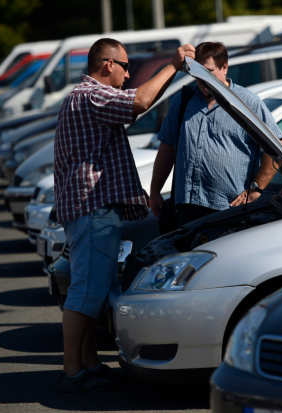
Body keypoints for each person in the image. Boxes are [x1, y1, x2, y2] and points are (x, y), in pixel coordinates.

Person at [53, 38, 195, 393]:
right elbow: (142, 101)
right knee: (86, 292)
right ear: (107, 66)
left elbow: (132, 108)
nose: (129, 74)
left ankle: (88, 364)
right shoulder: (92, 95)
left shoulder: (85, 97)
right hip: (92, 210)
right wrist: (174, 65)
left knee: (94, 291)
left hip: (91, 209)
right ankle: (73, 372)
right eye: (126, 66)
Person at [149, 42, 282, 226]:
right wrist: (155, 190)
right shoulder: (183, 100)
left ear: (224, 68)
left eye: (209, 72)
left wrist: (255, 189)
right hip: (188, 208)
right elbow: (167, 148)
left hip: (229, 210)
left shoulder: (246, 103)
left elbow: (278, 146)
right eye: (197, 72)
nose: (202, 79)